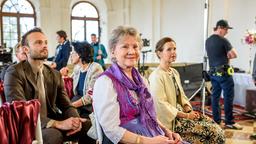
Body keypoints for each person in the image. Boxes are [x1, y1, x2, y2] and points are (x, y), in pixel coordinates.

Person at [93, 26, 186, 144]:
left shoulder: (141, 80)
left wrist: (166, 131)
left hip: (151, 133)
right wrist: (149, 141)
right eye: (125, 46)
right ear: (113, 51)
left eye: (135, 46)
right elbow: (111, 130)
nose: (132, 51)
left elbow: (149, 114)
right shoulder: (106, 82)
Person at [3, 27, 95, 144]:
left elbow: (66, 106)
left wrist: (74, 120)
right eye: (38, 42)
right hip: (28, 124)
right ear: (26, 49)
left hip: (52, 119)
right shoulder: (14, 72)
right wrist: (57, 124)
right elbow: (21, 111)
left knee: (89, 126)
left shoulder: (54, 74)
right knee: (53, 135)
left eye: (45, 42)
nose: (45, 45)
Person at [149, 37, 225, 144]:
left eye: (174, 49)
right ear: (159, 53)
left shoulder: (174, 72)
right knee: (214, 133)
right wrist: (186, 115)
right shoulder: (156, 76)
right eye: (169, 49)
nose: (173, 52)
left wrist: (188, 108)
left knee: (214, 125)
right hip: (172, 120)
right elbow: (161, 105)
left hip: (181, 113)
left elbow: (182, 96)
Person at [205, 19, 242, 130]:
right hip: (224, 73)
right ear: (220, 28)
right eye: (226, 29)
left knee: (215, 97)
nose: (227, 32)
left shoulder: (208, 40)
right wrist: (227, 55)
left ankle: (216, 121)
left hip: (212, 72)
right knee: (228, 97)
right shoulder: (223, 40)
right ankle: (229, 122)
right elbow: (234, 54)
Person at [62, 41, 103, 118]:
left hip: (89, 106)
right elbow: (70, 83)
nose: (70, 55)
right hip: (78, 101)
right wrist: (64, 75)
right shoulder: (77, 68)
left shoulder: (96, 68)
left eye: (73, 53)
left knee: (69, 116)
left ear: (79, 55)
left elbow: (91, 95)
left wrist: (71, 106)